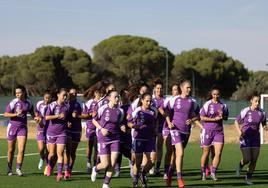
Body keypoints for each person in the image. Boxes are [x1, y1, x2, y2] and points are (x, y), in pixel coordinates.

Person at [166, 79, 199, 188]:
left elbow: (198, 115)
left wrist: (192, 119)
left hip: (186, 131)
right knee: (180, 153)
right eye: (187, 87)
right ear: (182, 88)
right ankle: (180, 178)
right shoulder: (174, 99)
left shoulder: (193, 102)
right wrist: (169, 122)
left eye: (190, 87)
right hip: (175, 129)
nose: (189, 89)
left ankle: (170, 173)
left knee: (176, 156)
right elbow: (166, 112)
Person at [91, 90, 124, 188]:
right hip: (103, 138)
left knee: (113, 163)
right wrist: (101, 129)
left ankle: (105, 184)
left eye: (118, 97)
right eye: (115, 97)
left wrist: (122, 126)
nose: (117, 99)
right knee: (105, 164)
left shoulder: (120, 111)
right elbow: (94, 120)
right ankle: (95, 169)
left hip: (115, 138)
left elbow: (120, 122)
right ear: (109, 98)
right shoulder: (103, 109)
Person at [234, 92, 267, 185]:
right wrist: (240, 132)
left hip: (256, 138)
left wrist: (265, 127)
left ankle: (248, 178)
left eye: (258, 101)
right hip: (245, 138)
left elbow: (264, 124)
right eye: (256, 101)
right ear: (251, 101)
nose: (257, 103)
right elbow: (236, 122)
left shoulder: (262, 112)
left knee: (254, 159)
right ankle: (240, 166)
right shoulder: (245, 111)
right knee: (247, 158)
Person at [128, 92, 158, 188]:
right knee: (138, 161)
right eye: (147, 101)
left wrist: (155, 129)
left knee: (152, 159)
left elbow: (156, 121)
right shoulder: (137, 111)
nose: (149, 103)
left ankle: (143, 173)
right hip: (139, 138)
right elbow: (128, 122)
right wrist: (134, 126)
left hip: (150, 138)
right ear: (142, 100)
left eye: (150, 101)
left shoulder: (154, 111)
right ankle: (135, 179)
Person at [4, 85, 35, 176]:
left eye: (19, 92)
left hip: (22, 128)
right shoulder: (13, 102)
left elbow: (32, 112)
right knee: (11, 150)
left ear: (24, 92)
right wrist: (15, 114)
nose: (17, 94)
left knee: (21, 149)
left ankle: (18, 169)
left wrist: (36, 118)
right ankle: (9, 168)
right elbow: (6, 114)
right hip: (12, 127)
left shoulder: (28, 102)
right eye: (16, 93)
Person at [199, 86, 229, 181]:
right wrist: (214, 119)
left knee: (218, 153)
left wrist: (222, 115)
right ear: (212, 95)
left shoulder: (223, 105)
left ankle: (213, 172)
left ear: (220, 95)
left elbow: (226, 118)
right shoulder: (207, 104)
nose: (216, 96)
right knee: (206, 153)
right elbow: (202, 117)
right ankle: (203, 172)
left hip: (219, 131)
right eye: (214, 94)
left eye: (217, 94)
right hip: (207, 131)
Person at [45, 88, 69, 182]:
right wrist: (57, 116)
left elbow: (67, 118)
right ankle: (49, 166)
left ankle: (59, 173)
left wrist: (68, 122)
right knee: (51, 154)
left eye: (66, 95)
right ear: (58, 95)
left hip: (62, 133)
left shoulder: (66, 106)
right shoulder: (52, 105)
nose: (65, 97)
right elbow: (46, 117)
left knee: (60, 153)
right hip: (51, 132)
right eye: (63, 95)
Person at [64, 88, 84, 180]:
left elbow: (87, 115)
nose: (74, 95)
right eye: (72, 93)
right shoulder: (65, 103)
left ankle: (70, 169)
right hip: (67, 130)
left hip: (77, 129)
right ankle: (66, 170)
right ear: (69, 93)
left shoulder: (80, 103)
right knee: (68, 150)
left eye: (75, 93)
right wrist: (67, 121)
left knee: (73, 151)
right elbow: (62, 115)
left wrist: (78, 116)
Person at [162, 83, 179, 186]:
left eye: (177, 89)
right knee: (169, 150)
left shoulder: (183, 100)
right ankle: (165, 171)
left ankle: (171, 171)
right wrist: (169, 122)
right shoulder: (168, 100)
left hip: (178, 128)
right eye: (174, 90)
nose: (176, 91)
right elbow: (163, 110)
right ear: (171, 91)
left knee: (176, 152)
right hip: (167, 128)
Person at [83, 85, 101, 173]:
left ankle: (95, 165)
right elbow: (84, 115)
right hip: (90, 127)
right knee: (89, 146)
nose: (100, 94)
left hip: (100, 127)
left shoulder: (103, 102)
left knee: (97, 148)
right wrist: (90, 114)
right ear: (94, 93)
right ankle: (88, 162)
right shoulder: (89, 103)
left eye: (101, 93)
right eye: (98, 93)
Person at [34, 90, 52, 171]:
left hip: (49, 129)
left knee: (48, 150)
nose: (47, 99)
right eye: (46, 98)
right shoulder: (39, 104)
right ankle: (42, 157)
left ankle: (48, 166)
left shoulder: (53, 105)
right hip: (40, 128)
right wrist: (37, 117)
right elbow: (36, 112)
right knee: (41, 149)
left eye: (49, 98)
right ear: (43, 97)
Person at [152, 79, 165, 175]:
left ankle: (157, 167)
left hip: (162, 126)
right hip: (151, 127)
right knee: (151, 147)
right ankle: (150, 165)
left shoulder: (165, 100)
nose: (159, 90)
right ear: (154, 89)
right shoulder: (150, 99)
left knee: (159, 147)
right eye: (157, 88)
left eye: (161, 88)